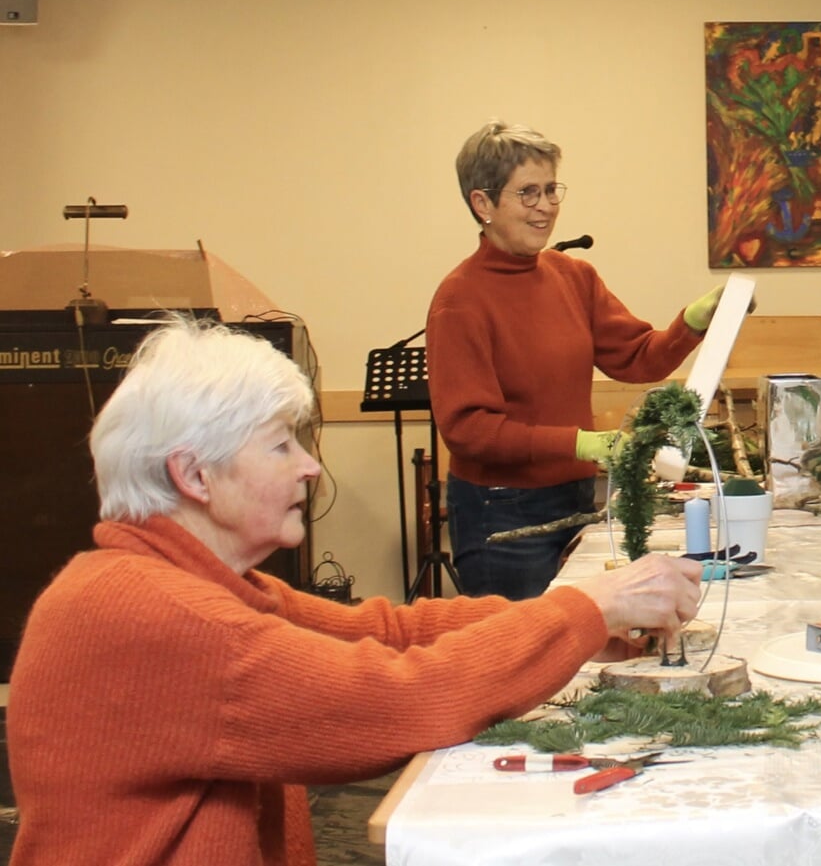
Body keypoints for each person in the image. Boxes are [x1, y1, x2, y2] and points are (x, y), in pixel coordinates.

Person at [8, 318, 705, 865]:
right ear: (194, 475)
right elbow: (402, 695)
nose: (311, 467)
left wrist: (583, 626)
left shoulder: (181, 581)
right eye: (282, 445)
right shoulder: (161, 612)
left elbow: (388, 633)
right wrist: (582, 612)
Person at [429, 120, 727, 598]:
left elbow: (635, 358)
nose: (546, 207)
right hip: (501, 514)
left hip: (575, 500)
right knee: (522, 659)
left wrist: (690, 323)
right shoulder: (460, 299)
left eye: (551, 190)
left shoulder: (573, 277)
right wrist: (579, 444)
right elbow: (469, 430)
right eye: (528, 193)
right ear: (482, 203)